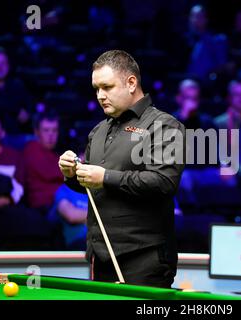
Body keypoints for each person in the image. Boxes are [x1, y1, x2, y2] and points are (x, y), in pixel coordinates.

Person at [58, 50, 185, 288]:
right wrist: (72, 175)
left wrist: (105, 177)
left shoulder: (164, 125)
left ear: (131, 83)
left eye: (107, 87)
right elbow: (96, 188)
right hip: (101, 256)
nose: (100, 95)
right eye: (96, 89)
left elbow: (164, 183)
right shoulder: (97, 131)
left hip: (144, 259)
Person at [23, 111, 63, 212]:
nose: (51, 135)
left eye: (54, 131)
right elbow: (51, 173)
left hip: (59, 202)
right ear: (37, 132)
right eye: (46, 130)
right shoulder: (31, 149)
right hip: (43, 208)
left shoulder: (55, 155)